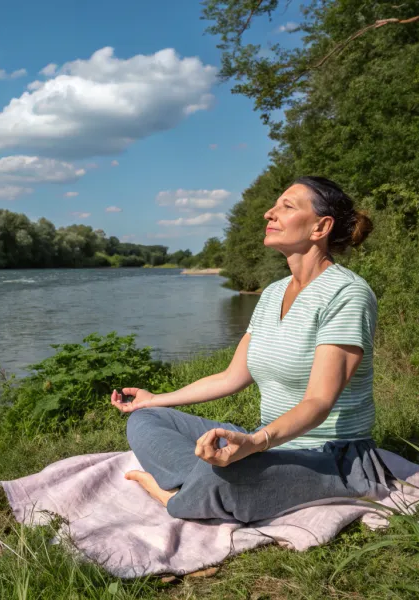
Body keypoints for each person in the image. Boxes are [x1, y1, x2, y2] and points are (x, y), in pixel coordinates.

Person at [110, 176, 392, 523]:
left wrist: (255, 443)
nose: (268, 213)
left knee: (223, 476)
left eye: (286, 207)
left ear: (321, 227)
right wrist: (153, 399)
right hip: (268, 440)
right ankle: (197, 484)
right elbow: (231, 377)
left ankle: (173, 495)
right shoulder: (273, 293)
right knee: (146, 420)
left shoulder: (347, 294)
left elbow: (318, 402)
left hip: (332, 457)